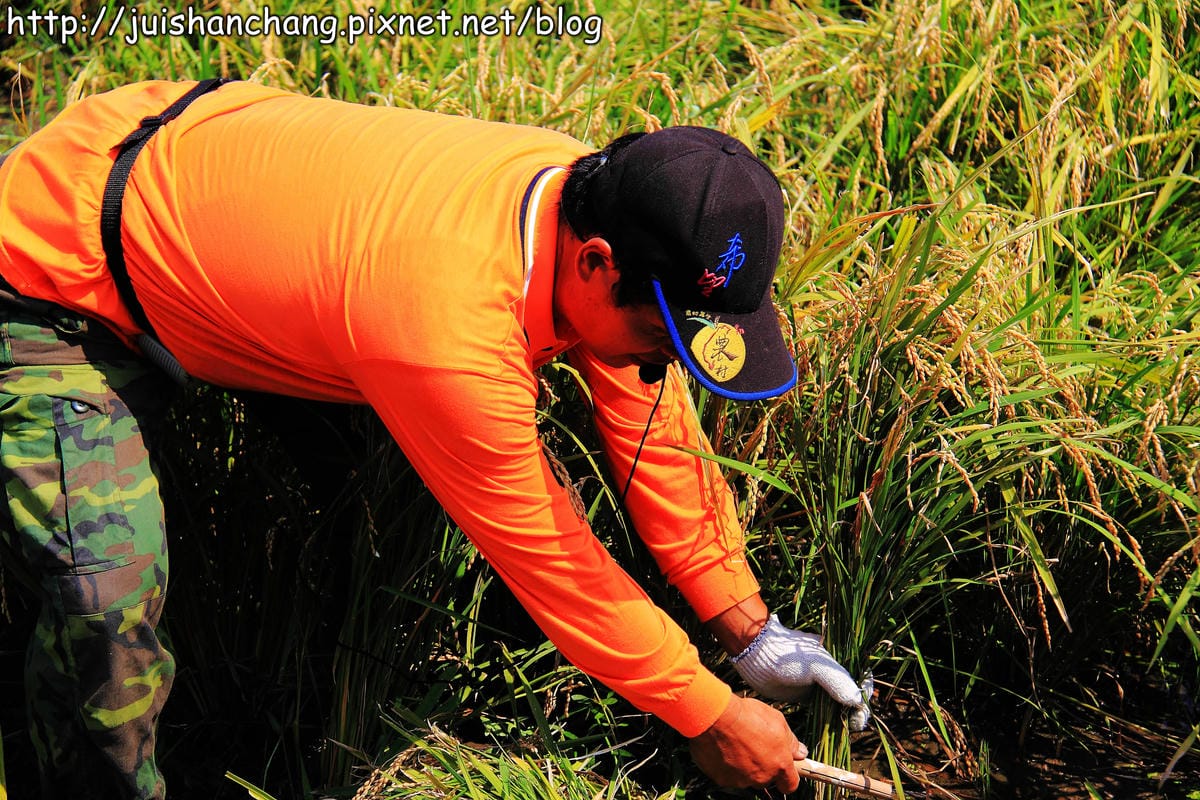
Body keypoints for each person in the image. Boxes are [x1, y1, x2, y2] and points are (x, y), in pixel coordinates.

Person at [0, 78, 869, 799]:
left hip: (185, 180)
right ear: (597, 263)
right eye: (661, 336)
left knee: (360, 492)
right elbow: (551, 558)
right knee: (102, 603)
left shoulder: (582, 198)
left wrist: (750, 632)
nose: (659, 363)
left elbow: (648, 411)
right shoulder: (446, 329)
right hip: (56, 272)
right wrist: (711, 716)